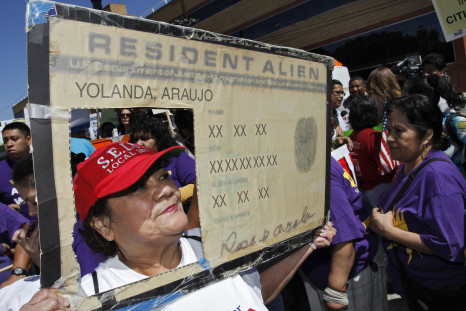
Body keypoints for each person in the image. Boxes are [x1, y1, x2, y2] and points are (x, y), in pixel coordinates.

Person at [73, 142, 335, 309]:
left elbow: (254, 292)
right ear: (103, 225)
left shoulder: (212, 244)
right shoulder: (92, 299)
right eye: (138, 187)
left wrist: (308, 244)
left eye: (163, 176)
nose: (165, 189)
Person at [370, 95, 466, 310]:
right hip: (416, 286)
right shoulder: (408, 166)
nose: (389, 138)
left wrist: (388, 231)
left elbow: (451, 245)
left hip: (441, 294)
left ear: (427, 136)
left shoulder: (438, 176)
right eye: (389, 130)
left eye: (400, 131)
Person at [300, 157, 386, 311]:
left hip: (347, 274)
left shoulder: (316, 168)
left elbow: (344, 235)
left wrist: (336, 291)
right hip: (322, 270)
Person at [130, 114, 196, 206]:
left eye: (145, 139)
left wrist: (170, 198)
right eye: (135, 139)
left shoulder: (176, 157)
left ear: (159, 140)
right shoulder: (135, 167)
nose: (139, 143)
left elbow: (198, 185)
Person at [0, 122, 34, 288]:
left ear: (28, 140)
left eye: (14, 139)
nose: (9, 144)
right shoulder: (0, 170)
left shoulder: (46, 164)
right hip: (19, 249)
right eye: (5, 140)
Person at [348, 95, 394, 209]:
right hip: (380, 189)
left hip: (362, 190)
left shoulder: (350, 138)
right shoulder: (375, 137)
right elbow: (387, 165)